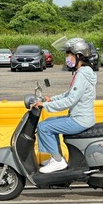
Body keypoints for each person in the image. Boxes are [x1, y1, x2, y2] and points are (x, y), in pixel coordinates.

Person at [30, 38, 97, 173]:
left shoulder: (82, 75)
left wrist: (45, 105)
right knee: (49, 123)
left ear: (78, 56)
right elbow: (69, 94)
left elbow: (70, 100)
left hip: (80, 120)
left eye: (69, 55)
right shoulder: (83, 72)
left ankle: (58, 161)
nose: (67, 59)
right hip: (80, 117)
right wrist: (51, 99)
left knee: (43, 126)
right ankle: (57, 158)